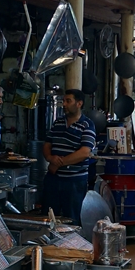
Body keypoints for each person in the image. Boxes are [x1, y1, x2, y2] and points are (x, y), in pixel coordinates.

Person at [42, 89, 96, 223]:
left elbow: (84, 152)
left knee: (72, 219)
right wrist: (49, 158)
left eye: (68, 101)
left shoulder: (87, 125)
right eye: (63, 101)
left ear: (79, 103)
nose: (64, 104)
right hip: (53, 180)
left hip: (74, 182)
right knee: (48, 219)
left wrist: (58, 163)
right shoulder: (57, 123)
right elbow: (47, 145)